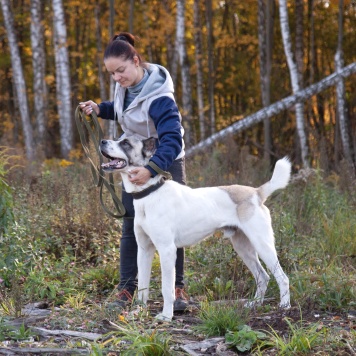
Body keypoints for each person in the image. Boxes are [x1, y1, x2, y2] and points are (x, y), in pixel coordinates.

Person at [80, 32, 188, 312]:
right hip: (133, 160)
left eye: (121, 70)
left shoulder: (161, 97)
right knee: (131, 224)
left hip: (165, 161)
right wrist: (99, 108)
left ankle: (178, 291)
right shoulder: (125, 86)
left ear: (136, 61)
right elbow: (124, 111)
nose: (116, 78)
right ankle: (127, 290)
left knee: (170, 229)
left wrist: (151, 169)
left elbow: (172, 139)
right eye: (112, 73)